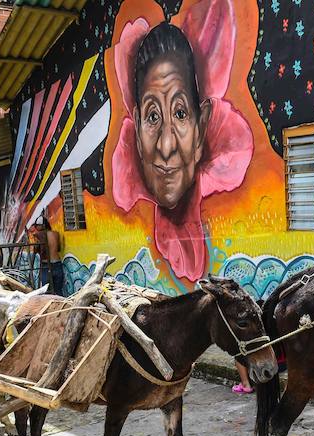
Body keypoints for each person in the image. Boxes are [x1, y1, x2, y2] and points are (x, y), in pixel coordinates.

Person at [111, 9, 252, 281]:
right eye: (153, 117)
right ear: (137, 131)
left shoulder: (224, 153)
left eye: (180, 113)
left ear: (201, 129)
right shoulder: (129, 177)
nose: (166, 146)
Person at [27, 216, 62, 293]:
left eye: (37, 226)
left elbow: (41, 250)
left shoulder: (40, 234)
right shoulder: (56, 233)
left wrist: (35, 246)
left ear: (42, 226)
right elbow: (58, 248)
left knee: (46, 291)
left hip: (47, 265)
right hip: (58, 263)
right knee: (59, 291)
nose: (36, 228)